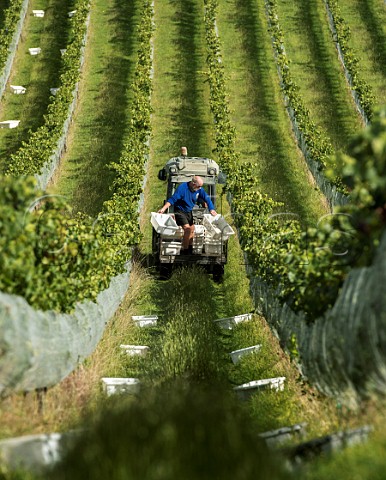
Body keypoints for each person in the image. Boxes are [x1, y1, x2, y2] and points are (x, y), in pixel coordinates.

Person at [158, 175, 217, 254]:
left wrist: (211, 209)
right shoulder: (182, 188)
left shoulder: (199, 190)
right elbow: (172, 199)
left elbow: (207, 198)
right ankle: (184, 250)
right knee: (187, 229)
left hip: (188, 211)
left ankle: (190, 247)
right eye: (199, 186)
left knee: (192, 229)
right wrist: (163, 209)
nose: (200, 188)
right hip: (180, 211)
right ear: (193, 184)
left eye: (201, 186)